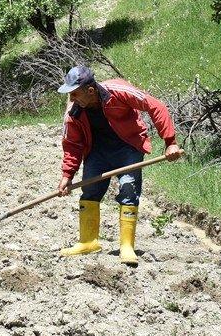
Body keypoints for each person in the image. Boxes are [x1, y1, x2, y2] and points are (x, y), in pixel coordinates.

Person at [55, 65, 181, 266]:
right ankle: (88, 242)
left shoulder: (118, 91)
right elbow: (72, 144)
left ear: (90, 90)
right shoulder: (74, 112)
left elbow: (155, 106)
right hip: (97, 151)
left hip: (128, 147)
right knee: (90, 190)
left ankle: (126, 246)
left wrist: (170, 142)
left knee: (128, 188)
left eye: (75, 94)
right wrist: (67, 175)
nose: (71, 99)